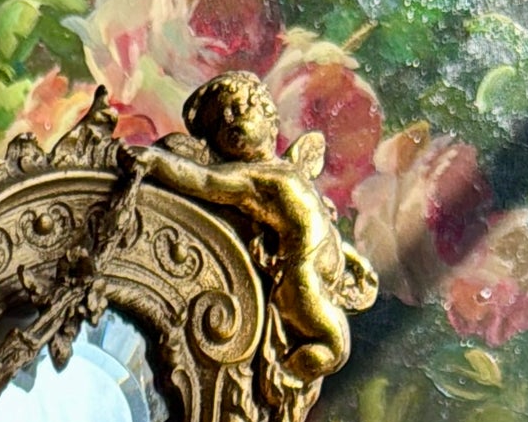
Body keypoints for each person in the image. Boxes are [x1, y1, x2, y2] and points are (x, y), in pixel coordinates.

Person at [137, 70, 376, 390]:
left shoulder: (288, 170)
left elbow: (318, 220)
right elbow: (204, 180)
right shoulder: (251, 178)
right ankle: (283, 377)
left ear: (268, 114)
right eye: (219, 125)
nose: (229, 122)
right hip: (300, 277)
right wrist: (154, 161)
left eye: (237, 109)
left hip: (320, 274)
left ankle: (284, 381)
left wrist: (346, 255)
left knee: (334, 345)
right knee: (335, 347)